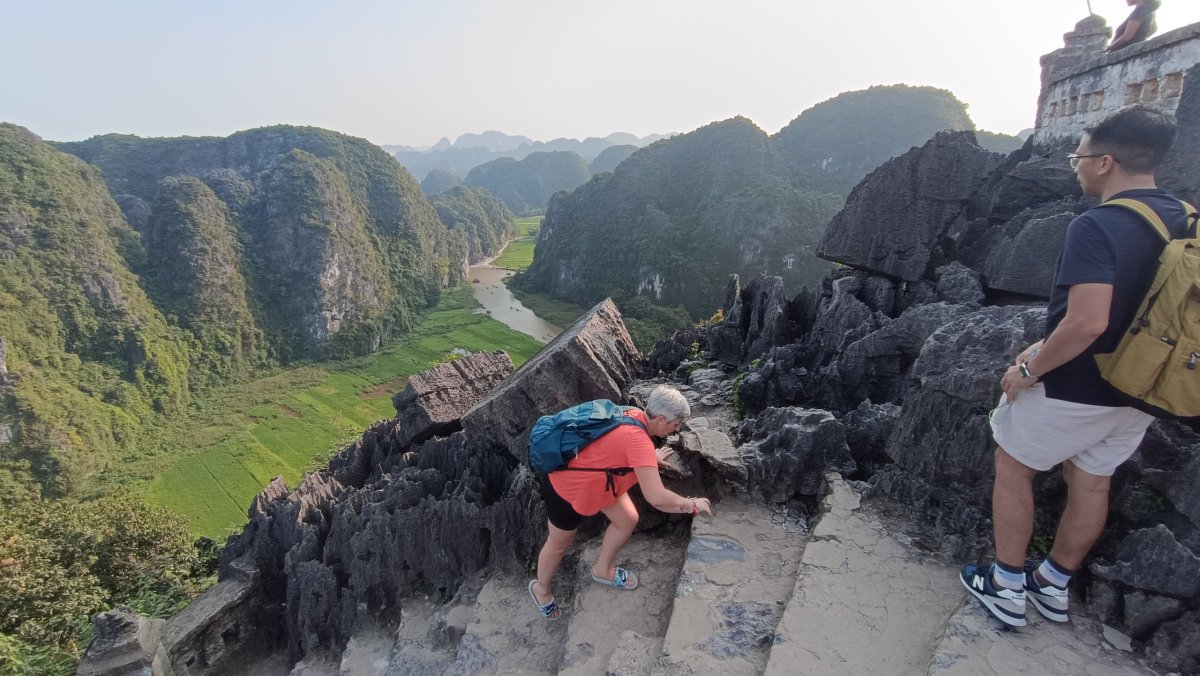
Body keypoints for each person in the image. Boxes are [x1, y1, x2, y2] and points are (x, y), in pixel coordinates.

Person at [961, 106, 1191, 627]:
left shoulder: (1100, 225)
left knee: (1013, 466)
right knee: (1092, 481)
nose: (1076, 166)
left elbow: (1088, 322)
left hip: (1078, 384)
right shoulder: (1187, 219)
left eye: (1080, 156)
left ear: (1105, 161)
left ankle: (1005, 584)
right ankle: (1053, 584)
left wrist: (1032, 368)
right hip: (1143, 389)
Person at [528, 385, 713, 619]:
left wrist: (650, 457)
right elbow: (657, 498)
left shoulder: (631, 413)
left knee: (627, 519)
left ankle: (602, 569)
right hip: (566, 489)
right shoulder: (639, 442)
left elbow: (618, 445)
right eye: (675, 425)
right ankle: (541, 589)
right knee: (558, 545)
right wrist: (692, 504)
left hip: (599, 485)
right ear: (662, 420)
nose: (675, 431)